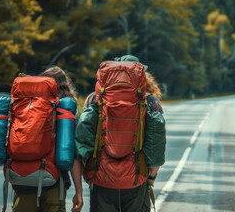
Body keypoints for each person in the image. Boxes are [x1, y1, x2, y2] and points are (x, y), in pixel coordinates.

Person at [71, 55, 166, 212]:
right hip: (136, 179)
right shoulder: (150, 102)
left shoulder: (93, 99)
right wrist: (151, 177)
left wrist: (82, 185)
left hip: (101, 178)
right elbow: (156, 144)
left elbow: (81, 144)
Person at [12, 66, 78, 212]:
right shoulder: (67, 108)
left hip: (21, 179)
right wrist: (79, 191)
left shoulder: (21, 105)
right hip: (54, 181)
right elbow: (72, 152)